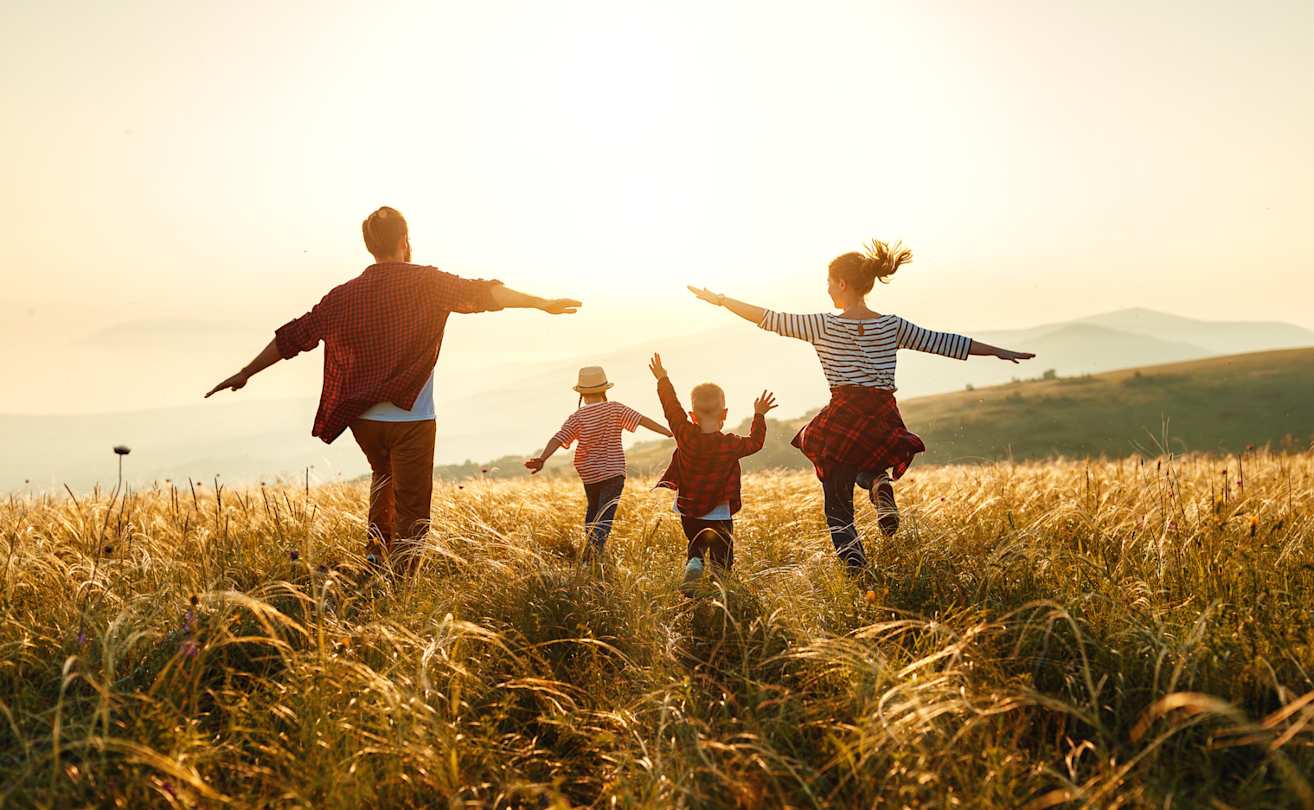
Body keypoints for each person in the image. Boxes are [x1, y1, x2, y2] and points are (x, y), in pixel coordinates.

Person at [205, 206, 581, 572]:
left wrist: (246, 372)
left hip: (363, 420)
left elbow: (295, 336)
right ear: (404, 240)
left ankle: (374, 558)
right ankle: (400, 583)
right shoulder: (428, 283)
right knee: (413, 507)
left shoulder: (344, 295)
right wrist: (540, 303)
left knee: (383, 479)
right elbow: (484, 293)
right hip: (412, 418)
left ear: (370, 246)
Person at [687, 239, 1034, 574]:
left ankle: (857, 570)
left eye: (828, 282)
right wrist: (1000, 351)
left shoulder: (823, 325)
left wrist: (720, 300)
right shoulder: (892, 325)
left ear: (841, 283)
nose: (826, 289)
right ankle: (878, 485)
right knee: (868, 464)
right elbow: (945, 342)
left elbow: (767, 318)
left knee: (838, 508)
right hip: (882, 415)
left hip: (844, 414)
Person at [648, 352, 775, 596]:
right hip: (719, 509)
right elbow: (756, 443)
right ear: (724, 414)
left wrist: (663, 379)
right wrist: (759, 415)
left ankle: (694, 562)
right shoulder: (730, 444)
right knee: (722, 554)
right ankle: (720, 588)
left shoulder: (685, 434)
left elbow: (671, 408)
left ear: (692, 415)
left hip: (688, 507)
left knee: (696, 543)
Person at [525, 366, 672, 558]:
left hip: (589, 474)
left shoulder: (577, 417)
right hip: (613, 472)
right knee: (605, 516)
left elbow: (559, 438)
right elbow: (642, 420)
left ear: (582, 393)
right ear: (604, 389)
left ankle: (589, 553)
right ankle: (594, 555)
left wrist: (543, 458)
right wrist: (669, 432)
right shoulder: (615, 408)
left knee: (593, 512)